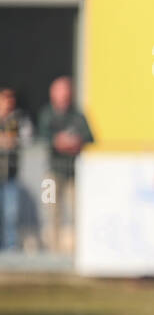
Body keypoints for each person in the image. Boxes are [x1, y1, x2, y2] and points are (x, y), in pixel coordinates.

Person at [36, 76, 93, 254]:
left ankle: (78, 251)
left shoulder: (77, 115)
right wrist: (57, 141)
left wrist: (75, 142)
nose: (63, 95)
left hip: (73, 175)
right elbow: (42, 137)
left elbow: (90, 137)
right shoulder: (47, 114)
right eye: (60, 91)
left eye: (66, 91)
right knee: (52, 213)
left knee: (77, 212)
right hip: (51, 174)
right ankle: (54, 251)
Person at [0, 88, 30, 251]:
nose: (7, 104)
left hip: (10, 175)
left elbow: (27, 138)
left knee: (11, 214)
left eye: (10, 101)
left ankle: (10, 250)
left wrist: (12, 140)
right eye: (4, 100)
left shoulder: (18, 119)